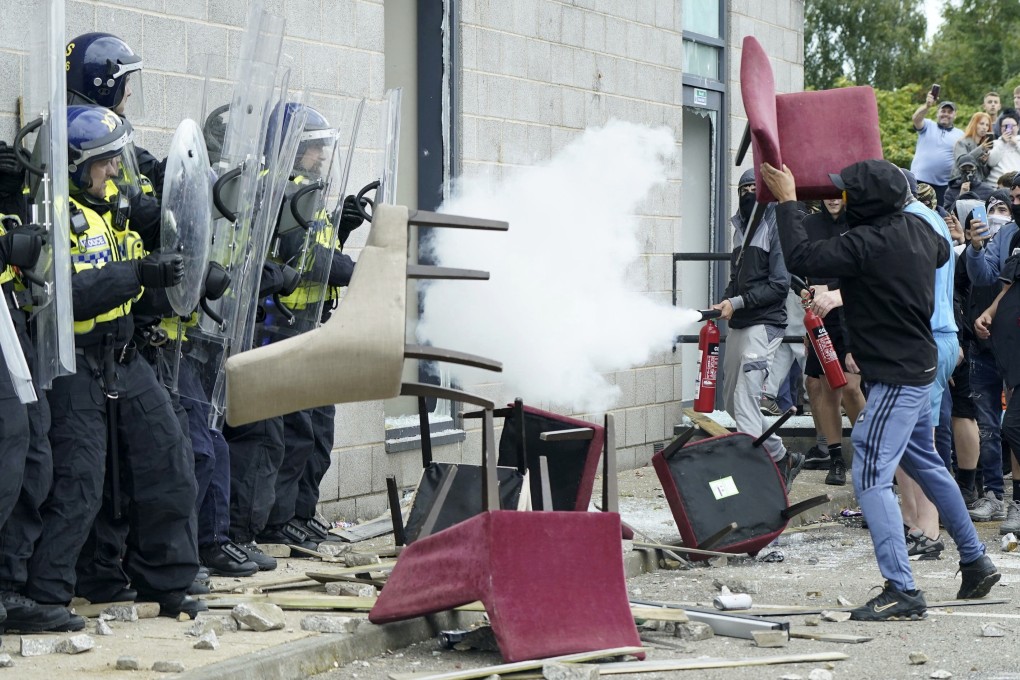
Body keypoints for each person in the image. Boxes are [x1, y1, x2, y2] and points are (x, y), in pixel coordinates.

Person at [761, 158, 999, 621]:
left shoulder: (867, 242)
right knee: (927, 463)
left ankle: (902, 589)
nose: (841, 199)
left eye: (848, 194)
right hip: (917, 362)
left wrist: (789, 202)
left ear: (865, 204)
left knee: (869, 469)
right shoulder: (923, 233)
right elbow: (941, 252)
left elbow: (804, 259)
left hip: (895, 373)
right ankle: (975, 560)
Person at [20, 105, 203, 619]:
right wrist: (139, 274)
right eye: (104, 163)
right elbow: (66, 294)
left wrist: (179, 282)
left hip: (125, 357)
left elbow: (135, 290)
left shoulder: (118, 210)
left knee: (167, 461)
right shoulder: (52, 219)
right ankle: (48, 594)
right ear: (76, 166)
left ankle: (166, 584)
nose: (116, 172)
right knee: (79, 480)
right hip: (72, 363)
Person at [711, 169, 801, 488]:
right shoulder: (740, 228)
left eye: (755, 188)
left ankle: (752, 477)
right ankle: (782, 456)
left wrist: (737, 302)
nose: (749, 193)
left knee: (746, 398)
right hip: (740, 322)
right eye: (743, 188)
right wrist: (724, 302)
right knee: (735, 402)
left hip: (764, 325)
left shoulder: (775, 224)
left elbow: (780, 284)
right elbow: (737, 278)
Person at [794, 196, 866, 486]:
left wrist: (833, 291)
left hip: (854, 313)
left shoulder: (858, 220)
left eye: (839, 192)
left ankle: (869, 451)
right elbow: (795, 267)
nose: (833, 198)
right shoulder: (810, 224)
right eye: (827, 192)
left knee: (851, 387)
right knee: (826, 388)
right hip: (821, 318)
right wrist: (805, 291)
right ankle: (835, 457)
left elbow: (865, 268)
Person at [965, 189, 1016, 524]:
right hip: (985, 344)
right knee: (988, 426)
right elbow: (985, 275)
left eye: (1007, 204)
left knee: (1014, 426)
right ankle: (995, 495)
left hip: (1014, 345)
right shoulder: (1007, 235)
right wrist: (976, 247)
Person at [910, 96, 963, 207]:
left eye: (950, 112)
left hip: (943, 185)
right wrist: (927, 106)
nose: (946, 114)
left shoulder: (960, 134)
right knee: (914, 211)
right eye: (943, 111)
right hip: (919, 180)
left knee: (938, 214)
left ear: (955, 115)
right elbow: (916, 119)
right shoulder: (928, 125)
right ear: (937, 113)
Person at [986, 114, 1020, 186]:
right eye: (1005, 126)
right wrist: (1002, 142)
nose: (1008, 128)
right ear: (1001, 128)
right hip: (997, 184)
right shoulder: (995, 143)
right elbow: (991, 162)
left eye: (1012, 126)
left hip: (1017, 184)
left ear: (1018, 127)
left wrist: (1016, 143)